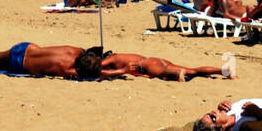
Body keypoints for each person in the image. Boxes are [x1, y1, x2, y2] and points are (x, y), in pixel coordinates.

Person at [0, 43, 101, 78]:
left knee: (0, 56)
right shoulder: (65, 69)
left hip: (27, 48)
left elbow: (84, 50)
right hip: (21, 65)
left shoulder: (74, 51)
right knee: (3, 64)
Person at [99, 52, 234, 81]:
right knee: (192, 70)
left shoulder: (113, 58)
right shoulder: (119, 55)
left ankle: (177, 73)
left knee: (167, 72)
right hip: (155, 59)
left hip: (147, 65)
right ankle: (222, 71)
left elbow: (98, 67)